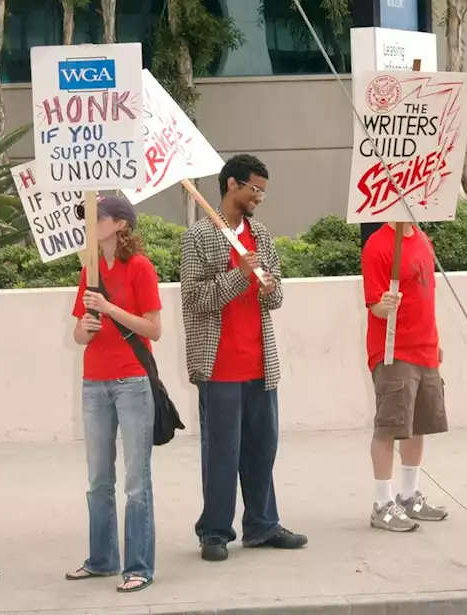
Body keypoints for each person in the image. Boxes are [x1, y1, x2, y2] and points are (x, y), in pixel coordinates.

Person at [180, 154, 308, 562]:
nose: (259, 198)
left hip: (260, 363)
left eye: (263, 192)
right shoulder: (199, 236)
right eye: (254, 189)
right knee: (221, 450)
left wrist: (268, 287)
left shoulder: (262, 235)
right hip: (218, 364)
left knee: (261, 448)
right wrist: (240, 276)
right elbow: (194, 298)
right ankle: (215, 531)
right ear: (232, 185)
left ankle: (262, 525)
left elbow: (279, 297)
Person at [64, 196, 162, 593]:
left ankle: (138, 566)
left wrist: (109, 308)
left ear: (120, 224)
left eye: (96, 217)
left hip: (132, 382)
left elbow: (153, 329)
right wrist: (87, 326)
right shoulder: (87, 270)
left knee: (136, 481)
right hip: (94, 381)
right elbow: (78, 334)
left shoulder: (140, 267)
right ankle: (102, 559)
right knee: (98, 479)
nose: (89, 224)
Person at [361, 221, 450, 532]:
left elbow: (427, 297)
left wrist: (435, 342)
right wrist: (383, 306)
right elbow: (374, 304)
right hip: (394, 349)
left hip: (425, 347)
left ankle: (409, 495)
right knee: (389, 426)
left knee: (418, 424)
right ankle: (382, 503)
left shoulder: (422, 238)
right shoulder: (378, 244)